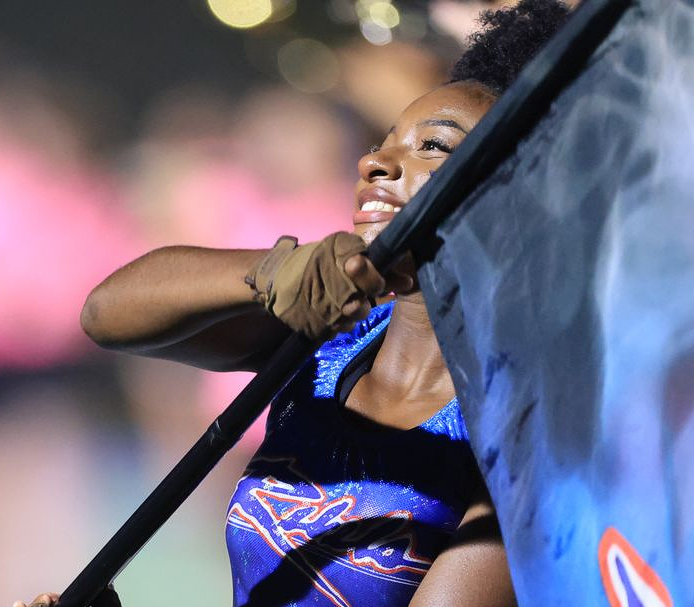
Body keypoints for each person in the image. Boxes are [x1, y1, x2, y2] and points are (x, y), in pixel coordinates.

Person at [14, 1, 569, 605]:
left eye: (432, 145)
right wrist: (274, 271)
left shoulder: (530, 427)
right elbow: (107, 314)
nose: (374, 163)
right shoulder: (331, 344)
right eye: (382, 142)